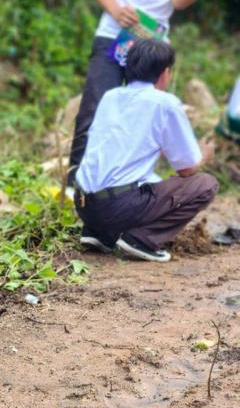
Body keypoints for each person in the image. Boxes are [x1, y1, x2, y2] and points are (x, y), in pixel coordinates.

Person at [68, 0, 223, 184]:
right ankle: (76, 186)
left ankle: (128, 185)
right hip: (113, 34)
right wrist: (117, 11)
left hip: (152, 43)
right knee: (92, 109)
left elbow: (179, 1)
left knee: (148, 115)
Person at [75, 39, 217, 263]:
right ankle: (142, 239)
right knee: (205, 184)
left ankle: (99, 233)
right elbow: (187, 170)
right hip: (116, 208)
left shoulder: (111, 97)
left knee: (142, 181)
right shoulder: (165, 103)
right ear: (164, 73)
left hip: (84, 204)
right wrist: (203, 155)